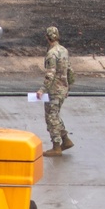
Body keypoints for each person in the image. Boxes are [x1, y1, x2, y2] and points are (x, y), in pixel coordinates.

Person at [35, 25, 74, 156]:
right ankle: (65, 139)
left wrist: (42, 90)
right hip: (62, 88)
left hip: (54, 90)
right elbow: (70, 70)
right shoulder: (64, 50)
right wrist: (69, 86)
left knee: (51, 117)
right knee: (55, 115)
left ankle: (56, 146)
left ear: (47, 38)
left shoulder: (51, 54)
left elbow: (50, 74)